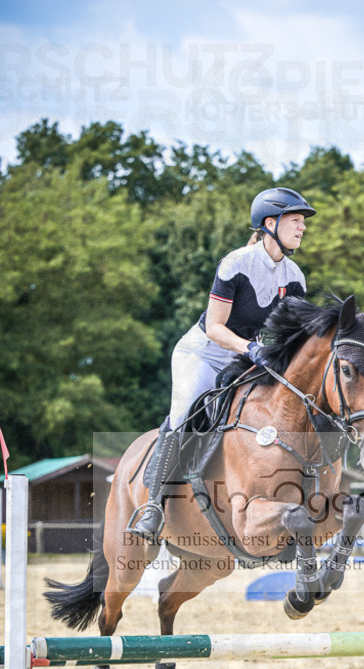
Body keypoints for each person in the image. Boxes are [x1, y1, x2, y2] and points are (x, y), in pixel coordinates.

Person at [130, 186, 316, 540]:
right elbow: (215, 327)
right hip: (204, 352)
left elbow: (293, 337)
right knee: (185, 412)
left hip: (248, 357)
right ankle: (152, 505)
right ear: (269, 223)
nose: (302, 227)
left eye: (302, 222)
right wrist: (252, 348)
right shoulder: (235, 264)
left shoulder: (295, 277)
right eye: (295, 220)